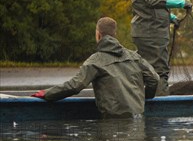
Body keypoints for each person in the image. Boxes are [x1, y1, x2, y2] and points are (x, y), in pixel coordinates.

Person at [31, 17, 160, 118]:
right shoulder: (135, 57)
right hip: (138, 118)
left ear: (98, 35)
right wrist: (144, 97)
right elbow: (154, 79)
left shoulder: (95, 61)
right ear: (115, 34)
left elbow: (75, 85)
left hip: (113, 122)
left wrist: (47, 93)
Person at [130, 0, 193, 95]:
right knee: (159, 71)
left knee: (147, 69)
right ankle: (161, 104)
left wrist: (171, 18)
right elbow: (153, 0)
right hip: (151, 34)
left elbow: (148, 7)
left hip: (149, 32)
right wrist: (181, 3)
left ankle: (141, 98)